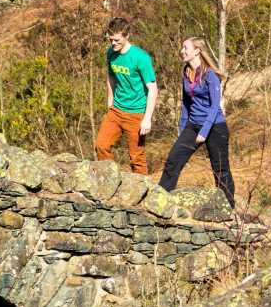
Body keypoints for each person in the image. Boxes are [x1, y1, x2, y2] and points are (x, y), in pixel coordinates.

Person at [158, 37, 235, 206]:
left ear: (197, 51)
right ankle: (160, 201)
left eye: (185, 48)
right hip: (193, 125)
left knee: (220, 169)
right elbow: (186, 103)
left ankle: (228, 208)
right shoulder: (186, 73)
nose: (182, 51)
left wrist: (204, 131)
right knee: (173, 160)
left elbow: (215, 106)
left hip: (215, 126)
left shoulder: (210, 75)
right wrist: (182, 127)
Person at [96, 17, 157, 173]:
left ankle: (143, 193)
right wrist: (110, 102)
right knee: (101, 146)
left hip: (136, 114)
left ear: (127, 35)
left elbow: (153, 88)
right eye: (110, 40)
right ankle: (109, 181)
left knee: (137, 158)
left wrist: (147, 119)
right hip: (116, 110)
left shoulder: (140, 58)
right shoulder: (111, 54)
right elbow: (110, 77)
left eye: (117, 40)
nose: (113, 43)